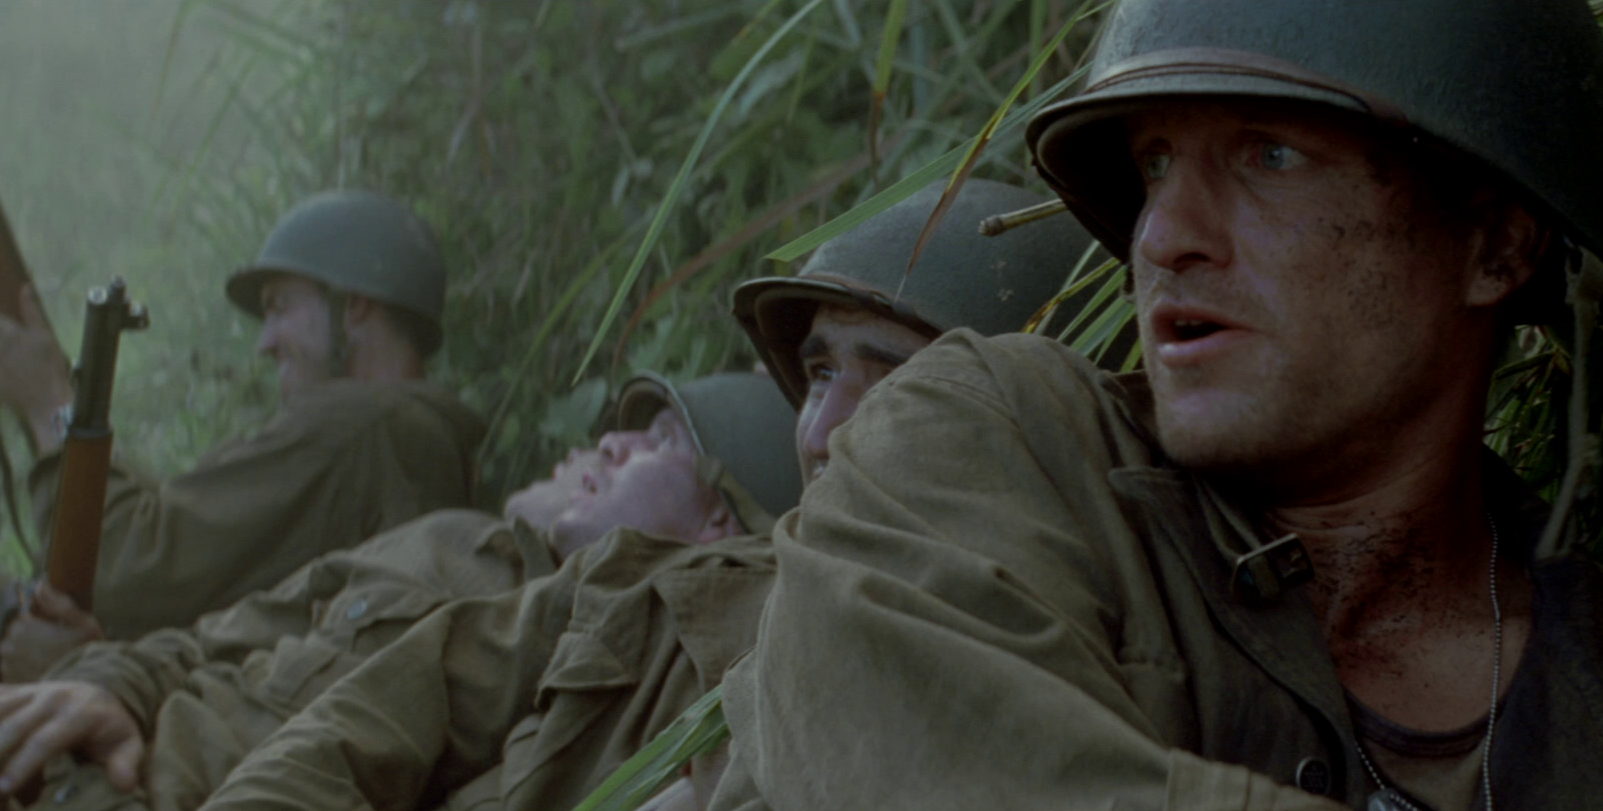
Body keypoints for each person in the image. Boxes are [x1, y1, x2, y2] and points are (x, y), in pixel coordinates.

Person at [708, 1, 1603, 809]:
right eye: (1155, 164)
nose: (1163, 236)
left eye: (1268, 157)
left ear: (1495, 246)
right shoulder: (999, 442)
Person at [186, 178, 1095, 811]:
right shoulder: (666, 591)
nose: (819, 430)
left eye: (893, 385)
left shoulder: (1062, 664)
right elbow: (374, 710)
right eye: (818, 373)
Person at [0, 371, 802, 811]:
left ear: (719, 527)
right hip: (53, 753)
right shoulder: (443, 538)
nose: (611, 442)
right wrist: (110, 685)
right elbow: (204, 639)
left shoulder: (609, 653)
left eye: (661, 441)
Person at [0, 190, 489, 683]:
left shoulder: (361, 427)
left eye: (279, 307)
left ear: (353, 307)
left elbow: (125, 565)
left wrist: (50, 406)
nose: (265, 343)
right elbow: (175, 545)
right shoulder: (409, 439)